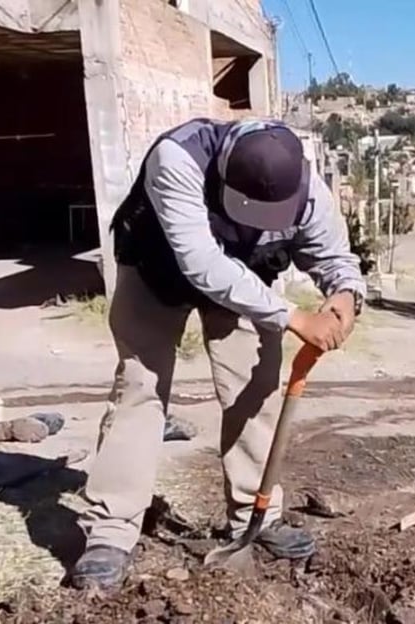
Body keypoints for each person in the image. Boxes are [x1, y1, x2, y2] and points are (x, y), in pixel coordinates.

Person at [71, 118, 366, 590]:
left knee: (255, 389)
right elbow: (202, 264)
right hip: (155, 271)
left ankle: (257, 516)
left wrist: (345, 296)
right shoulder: (178, 159)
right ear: (224, 174)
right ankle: (110, 530)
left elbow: (335, 258)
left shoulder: (310, 191)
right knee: (139, 390)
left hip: (246, 281)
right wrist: (295, 318)